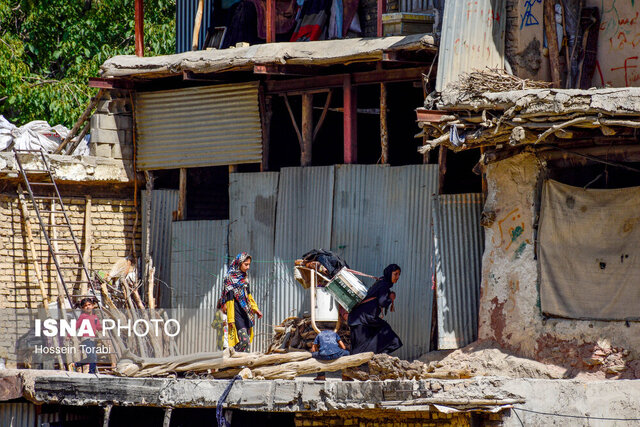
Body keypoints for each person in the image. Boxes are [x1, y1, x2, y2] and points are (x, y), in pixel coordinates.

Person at [347, 264, 403, 355]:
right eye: (395, 274)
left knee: (359, 347)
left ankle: (365, 361)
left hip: (358, 318)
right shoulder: (384, 285)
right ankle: (372, 357)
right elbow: (382, 302)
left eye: (399, 274)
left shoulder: (380, 283)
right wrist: (390, 298)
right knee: (388, 334)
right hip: (363, 319)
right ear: (389, 274)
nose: (397, 277)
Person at [222, 252, 263, 352]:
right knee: (244, 340)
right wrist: (231, 319)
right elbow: (229, 301)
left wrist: (255, 309)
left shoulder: (244, 278)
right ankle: (232, 359)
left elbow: (248, 296)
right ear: (239, 263)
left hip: (246, 313)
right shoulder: (229, 278)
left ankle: (241, 365)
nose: (248, 267)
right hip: (236, 314)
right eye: (246, 264)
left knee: (247, 342)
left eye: (249, 264)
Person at [75, 298, 102, 374]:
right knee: (93, 357)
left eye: (89, 305)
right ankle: (91, 373)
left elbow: (98, 327)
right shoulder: (83, 316)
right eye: (85, 306)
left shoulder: (95, 317)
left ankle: (77, 364)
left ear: (93, 306)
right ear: (83, 309)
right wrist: (69, 335)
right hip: (86, 339)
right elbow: (76, 325)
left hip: (92, 339)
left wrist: (102, 327)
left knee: (91, 357)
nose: (88, 307)